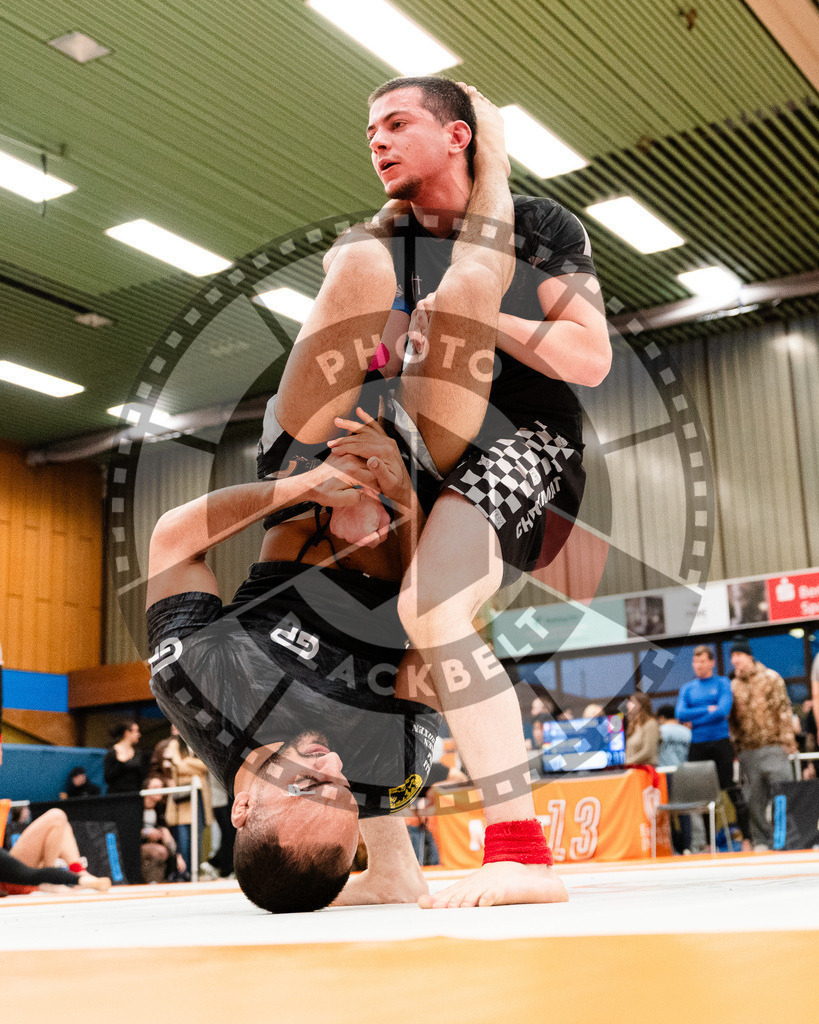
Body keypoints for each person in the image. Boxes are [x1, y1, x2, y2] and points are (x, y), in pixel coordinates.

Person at [147, 86, 552, 912]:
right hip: (416, 490)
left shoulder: (196, 684)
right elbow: (416, 626)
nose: (331, 775)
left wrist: (297, 485)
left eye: (309, 791)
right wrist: (403, 501)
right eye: (345, 800)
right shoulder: (388, 768)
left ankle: (418, 182)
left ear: (247, 802)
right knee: (462, 299)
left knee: (363, 265)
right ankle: (494, 157)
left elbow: (171, 539)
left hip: (306, 462)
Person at [355, 75, 609, 908]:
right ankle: (389, 866)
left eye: (397, 123)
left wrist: (474, 319)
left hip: (527, 441)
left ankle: (522, 854)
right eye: (370, 130)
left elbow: (588, 357)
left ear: (459, 137)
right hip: (425, 450)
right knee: (357, 633)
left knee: (430, 607)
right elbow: (371, 365)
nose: (377, 140)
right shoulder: (385, 243)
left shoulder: (538, 225)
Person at [676, 644, 751, 850]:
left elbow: (722, 711)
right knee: (702, 795)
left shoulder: (722, 683)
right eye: (695, 661)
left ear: (711, 662)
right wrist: (707, 708)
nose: (698, 665)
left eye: (702, 661)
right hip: (698, 745)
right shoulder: (688, 688)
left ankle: (746, 839)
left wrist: (697, 716)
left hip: (720, 743)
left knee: (732, 791)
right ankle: (709, 844)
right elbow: (680, 714)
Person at [729, 636, 797, 850]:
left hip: (774, 745)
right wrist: (737, 749)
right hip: (749, 750)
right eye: (732, 657)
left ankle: (785, 838)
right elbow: (732, 722)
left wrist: (789, 744)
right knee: (754, 800)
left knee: (782, 794)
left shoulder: (771, 678)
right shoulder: (733, 685)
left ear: (749, 655)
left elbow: (784, 710)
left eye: (738, 655)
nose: (735, 661)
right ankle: (760, 840)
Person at [0, 808, 111, 895]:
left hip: (13, 875)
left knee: (62, 823)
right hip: (13, 881)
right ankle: (52, 878)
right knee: (57, 816)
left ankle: (78, 871)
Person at [155, 725, 212, 874]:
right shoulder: (174, 745)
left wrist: (187, 763)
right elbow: (177, 766)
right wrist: (194, 767)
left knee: (198, 835)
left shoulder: (198, 743)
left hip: (199, 795)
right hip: (183, 797)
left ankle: (196, 871)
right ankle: (184, 872)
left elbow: (206, 766)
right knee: (183, 836)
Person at [656, 704, 692, 853]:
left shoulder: (660, 731)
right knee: (685, 811)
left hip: (664, 773)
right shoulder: (687, 732)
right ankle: (687, 847)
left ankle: (673, 846)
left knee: (667, 813)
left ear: (662, 718)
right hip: (684, 772)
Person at [103, 721, 145, 794]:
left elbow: (141, 776)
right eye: (136, 731)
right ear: (127, 733)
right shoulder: (112, 752)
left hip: (133, 795)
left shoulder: (138, 753)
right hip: (116, 796)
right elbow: (108, 778)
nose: (139, 735)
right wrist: (120, 763)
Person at [624, 692, 660, 765]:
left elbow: (649, 751)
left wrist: (627, 762)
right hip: (633, 770)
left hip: (646, 771)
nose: (628, 705)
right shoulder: (633, 725)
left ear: (639, 705)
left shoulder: (651, 724)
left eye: (631, 701)